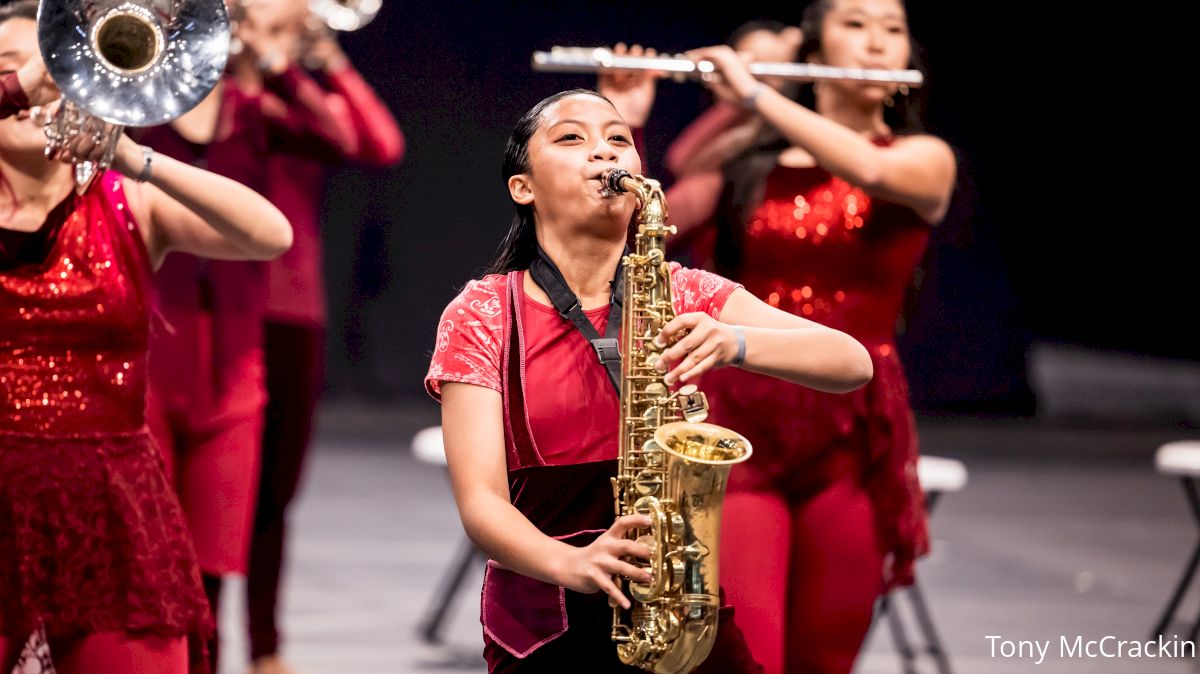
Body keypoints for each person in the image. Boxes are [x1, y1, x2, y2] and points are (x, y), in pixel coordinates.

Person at [424, 88, 874, 674]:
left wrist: (736, 342)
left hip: (679, 603)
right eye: (572, 139)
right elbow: (482, 503)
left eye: (619, 140)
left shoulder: (686, 290)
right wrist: (573, 564)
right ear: (523, 187)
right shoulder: (483, 311)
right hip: (546, 614)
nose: (605, 154)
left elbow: (851, 362)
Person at [608, 1, 958, 672]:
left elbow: (872, 172)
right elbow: (637, 235)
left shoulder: (923, 157)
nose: (878, 43)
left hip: (852, 434)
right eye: (856, 24)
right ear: (815, 48)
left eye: (893, 29)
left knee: (825, 660)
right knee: (746, 656)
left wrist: (759, 95)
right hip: (741, 431)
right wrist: (629, 123)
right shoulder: (749, 159)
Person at [0, 0, 293, 671]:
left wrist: (136, 157)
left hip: (110, 513)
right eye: (7, 74)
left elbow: (270, 234)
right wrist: (27, 80)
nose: (43, 87)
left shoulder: (123, 198)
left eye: (53, 72)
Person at [135, 1, 353, 669]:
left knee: (244, 520)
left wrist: (289, 64)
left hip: (244, 341)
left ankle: (254, 648)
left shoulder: (263, 111)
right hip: (157, 339)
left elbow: (370, 144)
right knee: (151, 536)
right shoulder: (143, 99)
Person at [250, 10, 404, 673]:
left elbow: (377, 144)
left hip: (290, 308)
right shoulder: (209, 80)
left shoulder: (299, 95)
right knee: (199, 491)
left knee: (274, 496)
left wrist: (318, 63)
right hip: (202, 304)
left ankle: (264, 647)